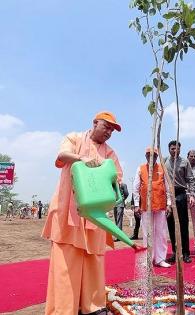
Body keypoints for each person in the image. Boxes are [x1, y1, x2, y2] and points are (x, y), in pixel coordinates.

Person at [42, 111, 123, 315]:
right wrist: (82, 159)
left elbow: (117, 177)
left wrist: (117, 185)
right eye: (106, 127)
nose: (109, 133)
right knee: (66, 263)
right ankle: (63, 309)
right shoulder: (74, 138)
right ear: (94, 123)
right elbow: (61, 156)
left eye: (112, 130)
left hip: (95, 216)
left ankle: (93, 306)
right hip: (68, 212)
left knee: (93, 260)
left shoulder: (109, 153)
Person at [133, 147, 171, 268]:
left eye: (154, 155)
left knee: (161, 233)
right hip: (146, 206)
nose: (151, 157)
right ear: (145, 156)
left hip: (160, 205)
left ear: (156, 156)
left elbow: (168, 187)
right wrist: (136, 205)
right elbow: (135, 188)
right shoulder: (140, 168)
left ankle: (160, 259)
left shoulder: (162, 168)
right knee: (147, 233)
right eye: (149, 155)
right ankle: (147, 259)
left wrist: (169, 204)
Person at [165, 140, 195, 264]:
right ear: (169, 149)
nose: (175, 151)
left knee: (183, 224)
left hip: (181, 194)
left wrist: (192, 195)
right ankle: (174, 252)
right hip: (168, 196)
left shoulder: (185, 162)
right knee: (171, 225)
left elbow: (191, 180)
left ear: (180, 149)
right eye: (172, 148)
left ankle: (186, 253)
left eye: (177, 148)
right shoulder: (164, 161)